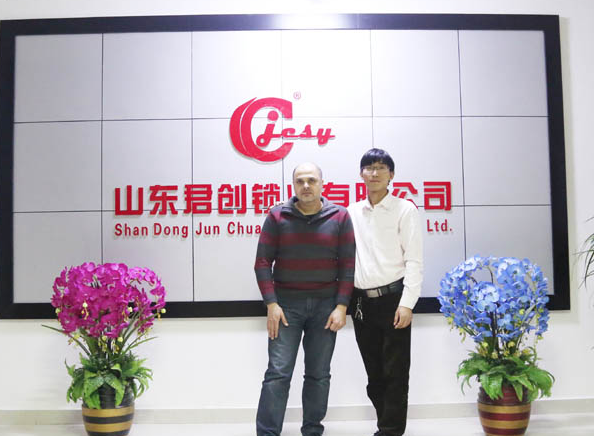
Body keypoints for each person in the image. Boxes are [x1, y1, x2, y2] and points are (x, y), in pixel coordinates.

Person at [254, 162, 355, 436]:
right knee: (278, 373)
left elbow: (348, 265)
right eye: (300, 181)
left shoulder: (340, 216)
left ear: (322, 183)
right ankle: (267, 432)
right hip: (285, 307)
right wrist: (271, 304)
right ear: (293, 185)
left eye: (311, 180)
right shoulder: (277, 216)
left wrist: (341, 306)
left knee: (318, 374)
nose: (306, 186)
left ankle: (312, 430)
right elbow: (262, 262)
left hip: (326, 308)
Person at [347, 148, 423, 436]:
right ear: (361, 174)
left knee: (395, 371)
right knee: (374, 373)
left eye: (381, 167)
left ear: (391, 174)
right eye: (369, 167)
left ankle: (390, 430)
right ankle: (386, 424)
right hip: (361, 302)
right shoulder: (352, 212)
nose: (374, 173)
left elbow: (414, 260)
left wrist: (407, 303)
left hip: (394, 300)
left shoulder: (405, 210)